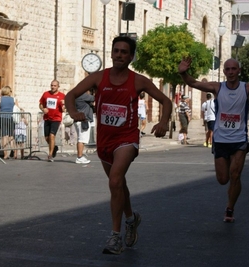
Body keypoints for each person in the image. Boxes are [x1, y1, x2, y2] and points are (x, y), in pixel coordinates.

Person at [65, 36, 172, 255]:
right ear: (111, 53)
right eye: (116, 51)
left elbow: (166, 101)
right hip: (105, 140)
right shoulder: (98, 77)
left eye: (124, 52)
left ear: (131, 56)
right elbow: (71, 94)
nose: (120, 55)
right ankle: (131, 219)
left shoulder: (138, 81)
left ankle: (115, 237)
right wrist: (73, 112)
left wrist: (162, 122)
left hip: (127, 139)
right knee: (118, 184)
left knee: (115, 181)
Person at [178, 57, 249, 222]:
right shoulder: (217, 87)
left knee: (235, 175)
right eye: (227, 69)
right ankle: (229, 194)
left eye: (233, 69)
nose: (230, 72)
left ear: (239, 71)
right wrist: (183, 73)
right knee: (223, 179)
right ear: (224, 72)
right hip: (221, 139)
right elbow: (193, 83)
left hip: (239, 140)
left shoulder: (247, 88)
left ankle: (230, 208)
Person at [39, 80, 65, 162]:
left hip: (56, 119)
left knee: (52, 135)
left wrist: (64, 104)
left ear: (58, 87)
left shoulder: (62, 96)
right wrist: (43, 109)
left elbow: (64, 110)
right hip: (47, 118)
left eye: (55, 86)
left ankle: (50, 155)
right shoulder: (46, 94)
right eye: (52, 85)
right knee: (47, 138)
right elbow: (40, 104)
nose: (53, 87)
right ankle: (54, 148)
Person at [74, 90, 94, 164]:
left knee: (81, 139)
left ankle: (80, 156)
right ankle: (79, 157)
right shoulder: (82, 95)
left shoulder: (77, 96)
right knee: (82, 140)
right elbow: (93, 98)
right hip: (83, 120)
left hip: (80, 120)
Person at [0, 86, 15, 160]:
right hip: (11, 118)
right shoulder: (13, 100)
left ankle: (5, 154)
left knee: (4, 136)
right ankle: (13, 149)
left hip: (3, 118)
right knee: (11, 135)